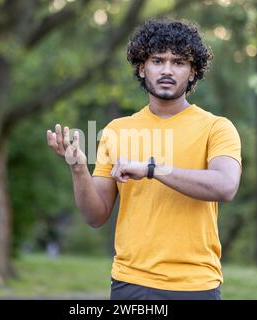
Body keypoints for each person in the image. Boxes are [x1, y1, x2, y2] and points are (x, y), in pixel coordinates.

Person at [46, 19, 241, 300]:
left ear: (193, 71)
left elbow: (225, 186)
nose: (166, 70)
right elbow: (95, 215)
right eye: (157, 60)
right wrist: (78, 168)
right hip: (131, 284)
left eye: (178, 62)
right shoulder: (117, 131)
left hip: (195, 285)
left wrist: (152, 169)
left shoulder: (217, 128)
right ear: (142, 67)